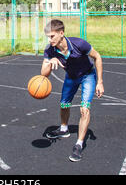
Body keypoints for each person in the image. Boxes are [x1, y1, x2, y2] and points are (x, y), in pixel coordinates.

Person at [41, 19, 104, 162]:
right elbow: (43, 74)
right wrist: (51, 63)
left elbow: (97, 57)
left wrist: (99, 82)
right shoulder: (49, 50)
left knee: (84, 109)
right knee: (64, 104)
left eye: (52, 36)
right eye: (48, 37)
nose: (49, 40)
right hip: (71, 77)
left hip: (88, 75)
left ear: (61, 33)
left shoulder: (78, 44)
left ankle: (79, 144)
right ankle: (64, 129)